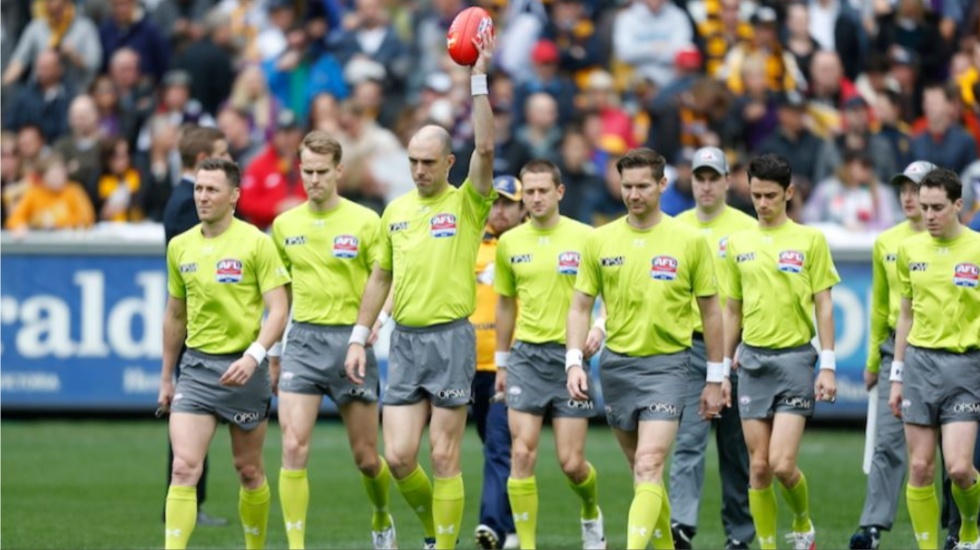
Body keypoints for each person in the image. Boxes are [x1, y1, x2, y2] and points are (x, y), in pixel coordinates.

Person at [344, 27, 497, 550]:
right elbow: (381, 276)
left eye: (428, 162)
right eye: (412, 160)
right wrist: (359, 335)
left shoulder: (468, 203)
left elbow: (487, 145)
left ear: (449, 164)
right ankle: (435, 531)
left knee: (444, 454)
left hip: (452, 338)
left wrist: (477, 81)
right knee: (399, 457)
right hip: (405, 341)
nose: (418, 170)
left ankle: (445, 545)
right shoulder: (396, 210)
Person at [565, 147, 727, 550]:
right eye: (627, 186)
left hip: (670, 367)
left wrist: (714, 376)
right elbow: (580, 305)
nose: (634, 194)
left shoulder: (688, 240)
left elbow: (711, 313)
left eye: (642, 186)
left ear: (662, 185)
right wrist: (573, 362)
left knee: (650, 462)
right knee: (642, 473)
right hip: (617, 367)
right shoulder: (600, 239)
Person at [269, 131, 395, 550]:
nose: (314, 179)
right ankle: (296, 544)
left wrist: (373, 322)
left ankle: (381, 517)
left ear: (339, 171)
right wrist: (273, 351)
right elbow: (277, 296)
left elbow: (386, 277)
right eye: (307, 171)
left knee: (365, 457)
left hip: (350, 345)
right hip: (303, 342)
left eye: (323, 171)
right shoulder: (285, 226)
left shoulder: (365, 221)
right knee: (292, 445)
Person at [159, 157, 290, 549]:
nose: (202, 196)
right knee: (184, 468)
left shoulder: (256, 243)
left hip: (245, 371)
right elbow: (175, 314)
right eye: (198, 188)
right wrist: (166, 375)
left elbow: (279, 309)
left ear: (233, 196)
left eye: (211, 189)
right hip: (196, 369)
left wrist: (253, 356)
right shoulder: (180, 246)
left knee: (248, 470)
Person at [722, 153, 840, 550]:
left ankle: (803, 524)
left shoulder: (810, 240)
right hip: (752, 362)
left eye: (771, 195)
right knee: (757, 467)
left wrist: (828, 365)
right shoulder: (737, 244)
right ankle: (768, 546)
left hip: (795, 360)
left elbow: (823, 303)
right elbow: (731, 308)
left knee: (782, 464)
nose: (762, 203)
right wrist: (722, 368)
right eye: (756, 195)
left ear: (789, 192)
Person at [494, 159, 606, 550]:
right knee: (521, 453)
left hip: (569, 359)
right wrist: (502, 363)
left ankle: (591, 511)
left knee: (572, 463)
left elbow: (613, 296)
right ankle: (526, 544)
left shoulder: (587, 238)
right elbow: (505, 305)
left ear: (560, 192)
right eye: (529, 191)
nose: (536, 198)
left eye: (543, 190)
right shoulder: (510, 242)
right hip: (525, 358)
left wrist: (599, 327)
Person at [887, 168, 980, 550]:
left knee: (959, 468)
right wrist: (897, 375)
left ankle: (970, 529)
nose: (928, 215)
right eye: (923, 207)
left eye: (937, 207)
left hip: (965, 366)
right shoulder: (909, 251)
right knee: (921, 467)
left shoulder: (977, 248)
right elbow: (905, 314)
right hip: (920, 366)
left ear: (959, 205)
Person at [670, 147, 756, 550]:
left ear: (726, 181)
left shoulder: (745, 228)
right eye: (699, 177)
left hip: (736, 348)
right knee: (688, 438)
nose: (705, 185)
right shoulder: (675, 228)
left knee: (735, 448)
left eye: (712, 177)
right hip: (691, 346)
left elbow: (754, 292)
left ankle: (739, 533)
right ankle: (681, 525)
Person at [849, 160, 935, 550]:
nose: (908, 196)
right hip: (893, 353)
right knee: (886, 443)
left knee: (951, 453)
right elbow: (880, 309)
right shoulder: (887, 242)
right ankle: (872, 525)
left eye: (916, 188)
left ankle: (955, 527)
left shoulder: (957, 242)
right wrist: (873, 362)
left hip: (942, 351)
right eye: (903, 189)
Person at [160, 125, 232, 527]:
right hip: (200, 325)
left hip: (198, 321)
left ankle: (191, 496)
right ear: (203, 156)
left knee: (191, 418)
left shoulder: (180, 199)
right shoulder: (188, 207)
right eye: (221, 152)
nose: (229, 158)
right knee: (189, 417)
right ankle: (189, 498)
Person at [471, 175, 525, 550]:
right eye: (496, 202)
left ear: (522, 208)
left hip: (512, 364)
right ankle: (510, 526)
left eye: (509, 202)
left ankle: (491, 523)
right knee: (493, 442)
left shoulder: (527, 248)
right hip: (472, 366)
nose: (501, 210)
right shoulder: (472, 246)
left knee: (498, 444)